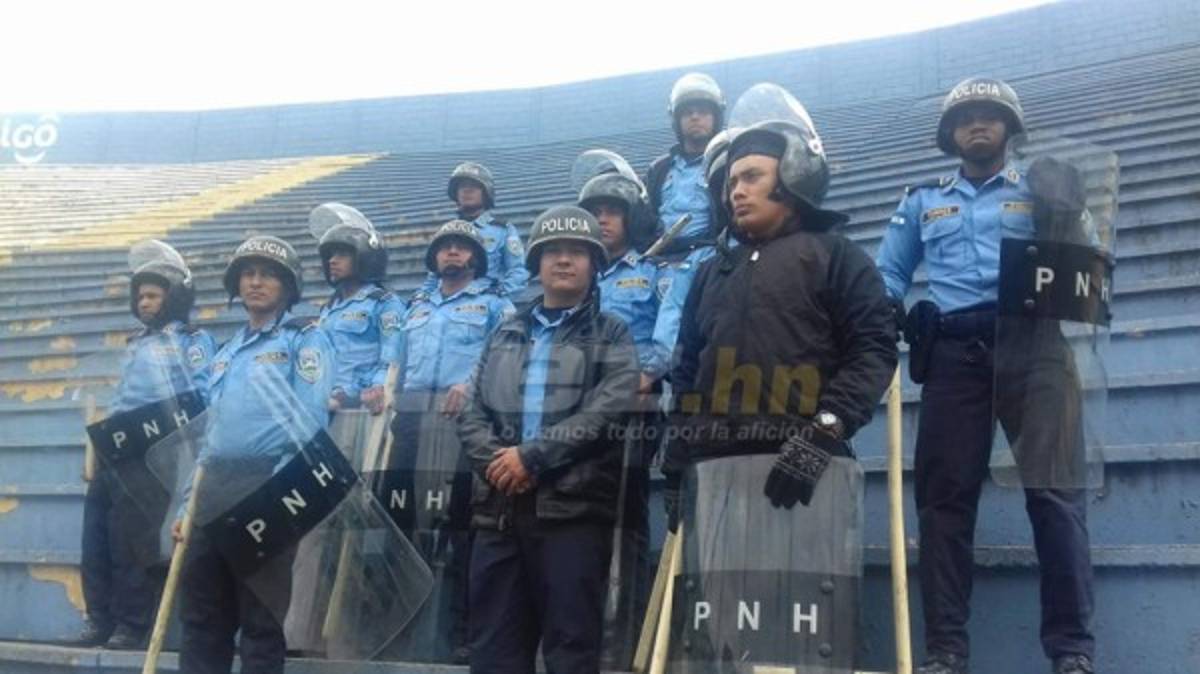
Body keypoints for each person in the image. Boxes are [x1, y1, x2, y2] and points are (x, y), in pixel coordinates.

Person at [875, 77, 1097, 674]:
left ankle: (1072, 650)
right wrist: (896, 310)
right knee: (943, 506)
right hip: (955, 355)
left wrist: (1067, 215)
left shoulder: (1044, 184)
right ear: (950, 133)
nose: (977, 124)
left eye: (989, 115)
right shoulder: (922, 200)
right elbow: (887, 275)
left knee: (1057, 497)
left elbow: (1090, 268)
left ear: (1009, 128)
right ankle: (946, 651)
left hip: (1036, 347)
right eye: (966, 116)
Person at [458, 205, 639, 674]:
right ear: (536, 263)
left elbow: (608, 410)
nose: (564, 260)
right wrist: (500, 465)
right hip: (497, 515)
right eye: (553, 251)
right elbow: (472, 411)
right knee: (493, 653)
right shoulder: (504, 332)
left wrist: (531, 458)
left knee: (571, 653)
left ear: (594, 264)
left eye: (577, 252)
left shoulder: (613, 332)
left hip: (573, 516)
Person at [173, 235, 335, 674]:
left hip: (269, 482)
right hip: (213, 488)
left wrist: (279, 494)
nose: (256, 283)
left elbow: (311, 423)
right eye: (248, 274)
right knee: (202, 617)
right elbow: (208, 437)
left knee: (261, 623)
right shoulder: (224, 354)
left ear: (287, 285)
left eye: (267, 274)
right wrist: (188, 505)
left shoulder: (307, 340)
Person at [380, 219, 513, 663]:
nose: (452, 253)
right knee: (398, 521)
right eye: (444, 247)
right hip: (412, 423)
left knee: (463, 527)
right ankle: (396, 626)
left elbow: (507, 358)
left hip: (464, 423)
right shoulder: (413, 308)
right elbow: (393, 366)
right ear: (434, 257)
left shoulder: (496, 305)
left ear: (475, 256)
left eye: (461, 247)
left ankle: (465, 632)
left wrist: (471, 384)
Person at [76, 241, 215, 649]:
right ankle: (97, 619)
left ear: (174, 297)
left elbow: (202, 397)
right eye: (140, 297)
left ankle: (131, 625)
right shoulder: (135, 343)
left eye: (153, 295)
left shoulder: (193, 339)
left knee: (129, 541)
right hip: (114, 449)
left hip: (153, 450)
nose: (145, 303)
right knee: (95, 538)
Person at [578, 161, 667, 667]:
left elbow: (667, 337)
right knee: (577, 521)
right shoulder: (575, 275)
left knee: (626, 519)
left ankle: (625, 637)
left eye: (613, 212)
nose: (604, 220)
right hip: (574, 414)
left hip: (632, 412)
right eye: (595, 212)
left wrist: (645, 373)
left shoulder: (654, 275)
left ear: (630, 219)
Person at [645, 73, 730, 380]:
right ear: (677, 119)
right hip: (659, 258)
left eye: (703, 110)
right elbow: (645, 216)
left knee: (672, 331)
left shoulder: (728, 161)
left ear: (716, 117)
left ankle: (664, 375)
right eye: (688, 111)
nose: (695, 117)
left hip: (705, 254)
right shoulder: (659, 169)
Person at [312, 203, 405, 415]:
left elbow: (392, 357)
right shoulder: (329, 308)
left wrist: (374, 388)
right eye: (330, 255)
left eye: (342, 254)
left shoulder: (384, 303)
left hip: (366, 409)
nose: (332, 261)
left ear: (364, 256)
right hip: (327, 406)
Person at [421, 161, 529, 297]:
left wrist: (498, 295)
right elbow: (433, 277)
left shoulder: (503, 230)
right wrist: (420, 298)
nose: (467, 190)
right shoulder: (445, 233)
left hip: (484, 307)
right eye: (462, 187)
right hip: (444, 306)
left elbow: (518, 272)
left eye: (474, 186)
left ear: (486, 192)